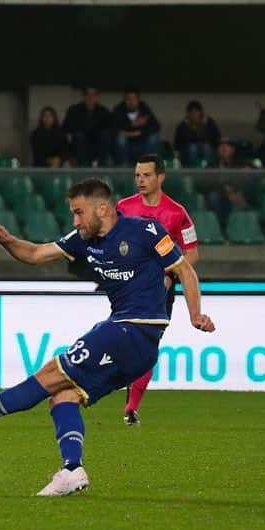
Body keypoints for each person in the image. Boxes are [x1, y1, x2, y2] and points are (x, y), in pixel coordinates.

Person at [0, 178, 215, 496]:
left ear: (102, 208)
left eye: (79, 212)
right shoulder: (82, 239)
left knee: (51, 373)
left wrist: (194, 314)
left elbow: (184, 269)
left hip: (133, 330)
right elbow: (34, 254)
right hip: (134, 345)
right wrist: (6, 239)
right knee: (63, 397)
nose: (75, 221)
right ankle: (72, 470)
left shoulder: (145, 232)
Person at [115, 155, 200, 425]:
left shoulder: (178, 213)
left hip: (161, 290)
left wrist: (167, 272)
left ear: (160, 177)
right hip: (126, 289)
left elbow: (192, 254)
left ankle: (131, 408)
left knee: (148, 344)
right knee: (125, 343)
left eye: (146, 175)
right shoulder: (123, 207)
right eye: (137, 175)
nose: (140, 180)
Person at [62, 87, 111, 167]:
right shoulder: (74, 110)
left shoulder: (104, 112)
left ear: (97, 97)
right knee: (78, 136)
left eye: (93, 95)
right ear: (84, 96)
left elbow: (108, 130)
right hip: (79, 144)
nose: (90, 97)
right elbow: (66, 129)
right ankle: (82, 165)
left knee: (105, 136)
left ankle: (101, 165)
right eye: (88, 94)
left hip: (96, 144)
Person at [111, 89, 161, 166]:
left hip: (142, 144)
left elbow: (156, 127)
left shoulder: (145, 110)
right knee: (120, 139)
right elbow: (114, 129)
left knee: (154, 137)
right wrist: (131, 125)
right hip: (126, 146)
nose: (131, 102)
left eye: (133, 99)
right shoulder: (118, 110)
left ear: (138, 100)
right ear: (125, 100)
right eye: (128, 99)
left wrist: (140, 132)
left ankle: (148, 164)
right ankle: (124, 165)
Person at [173, 100, 221, 166]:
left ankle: (208, 167)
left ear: (200, 112)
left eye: (196, 112)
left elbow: (216, 137)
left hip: (207, 147)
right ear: (188, 114)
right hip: (189, 149)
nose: (194, 114)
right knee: (193, 148)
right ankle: (192, 168)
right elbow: (178, 143)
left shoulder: (209, 122)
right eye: (192, 112)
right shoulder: (183, 125)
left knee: (206, 147)